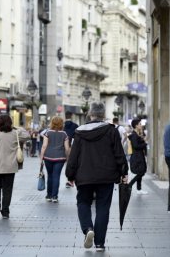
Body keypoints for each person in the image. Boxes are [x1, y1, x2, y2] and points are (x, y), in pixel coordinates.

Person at [65, 102, 128, 252]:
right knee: (103, 207)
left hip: (84, 175)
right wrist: (123, 172)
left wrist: (70, 175)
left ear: (90, 114)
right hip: (106, 176)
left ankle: (88, 229)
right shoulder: (111, 131)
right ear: (103, 115)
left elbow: (74, 156)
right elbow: (119, 153)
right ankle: (99, 243)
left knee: (83, 202)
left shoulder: (79, 132)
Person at [0, 114, 30, 219]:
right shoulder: (15, 133)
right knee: (7, 190)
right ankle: (5, 211)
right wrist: (16, 127)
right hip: (10, 167)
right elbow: (27, 135)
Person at [40, 116, 70, 203]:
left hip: (48, 157)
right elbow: (67, 148)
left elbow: (44, 146)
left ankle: (49, 195)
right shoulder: (64, 134)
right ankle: (55, 196)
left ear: (52, 123)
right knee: (56, 176)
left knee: (50, 175)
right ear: (61, 124)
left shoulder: (47, 133)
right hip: (60, 158)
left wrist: (41, 157)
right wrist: (67, 158)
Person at [128, 118, 148, 195]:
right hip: (137, 157)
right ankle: (130, 185)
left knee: (141, 172)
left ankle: (139, 189)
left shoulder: (137, 134)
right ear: (136, 126)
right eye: (139, 124)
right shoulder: (134, 135)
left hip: (139, 156)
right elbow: (136, 146)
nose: (141, 125)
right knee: (141, 172)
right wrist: (145, 143)